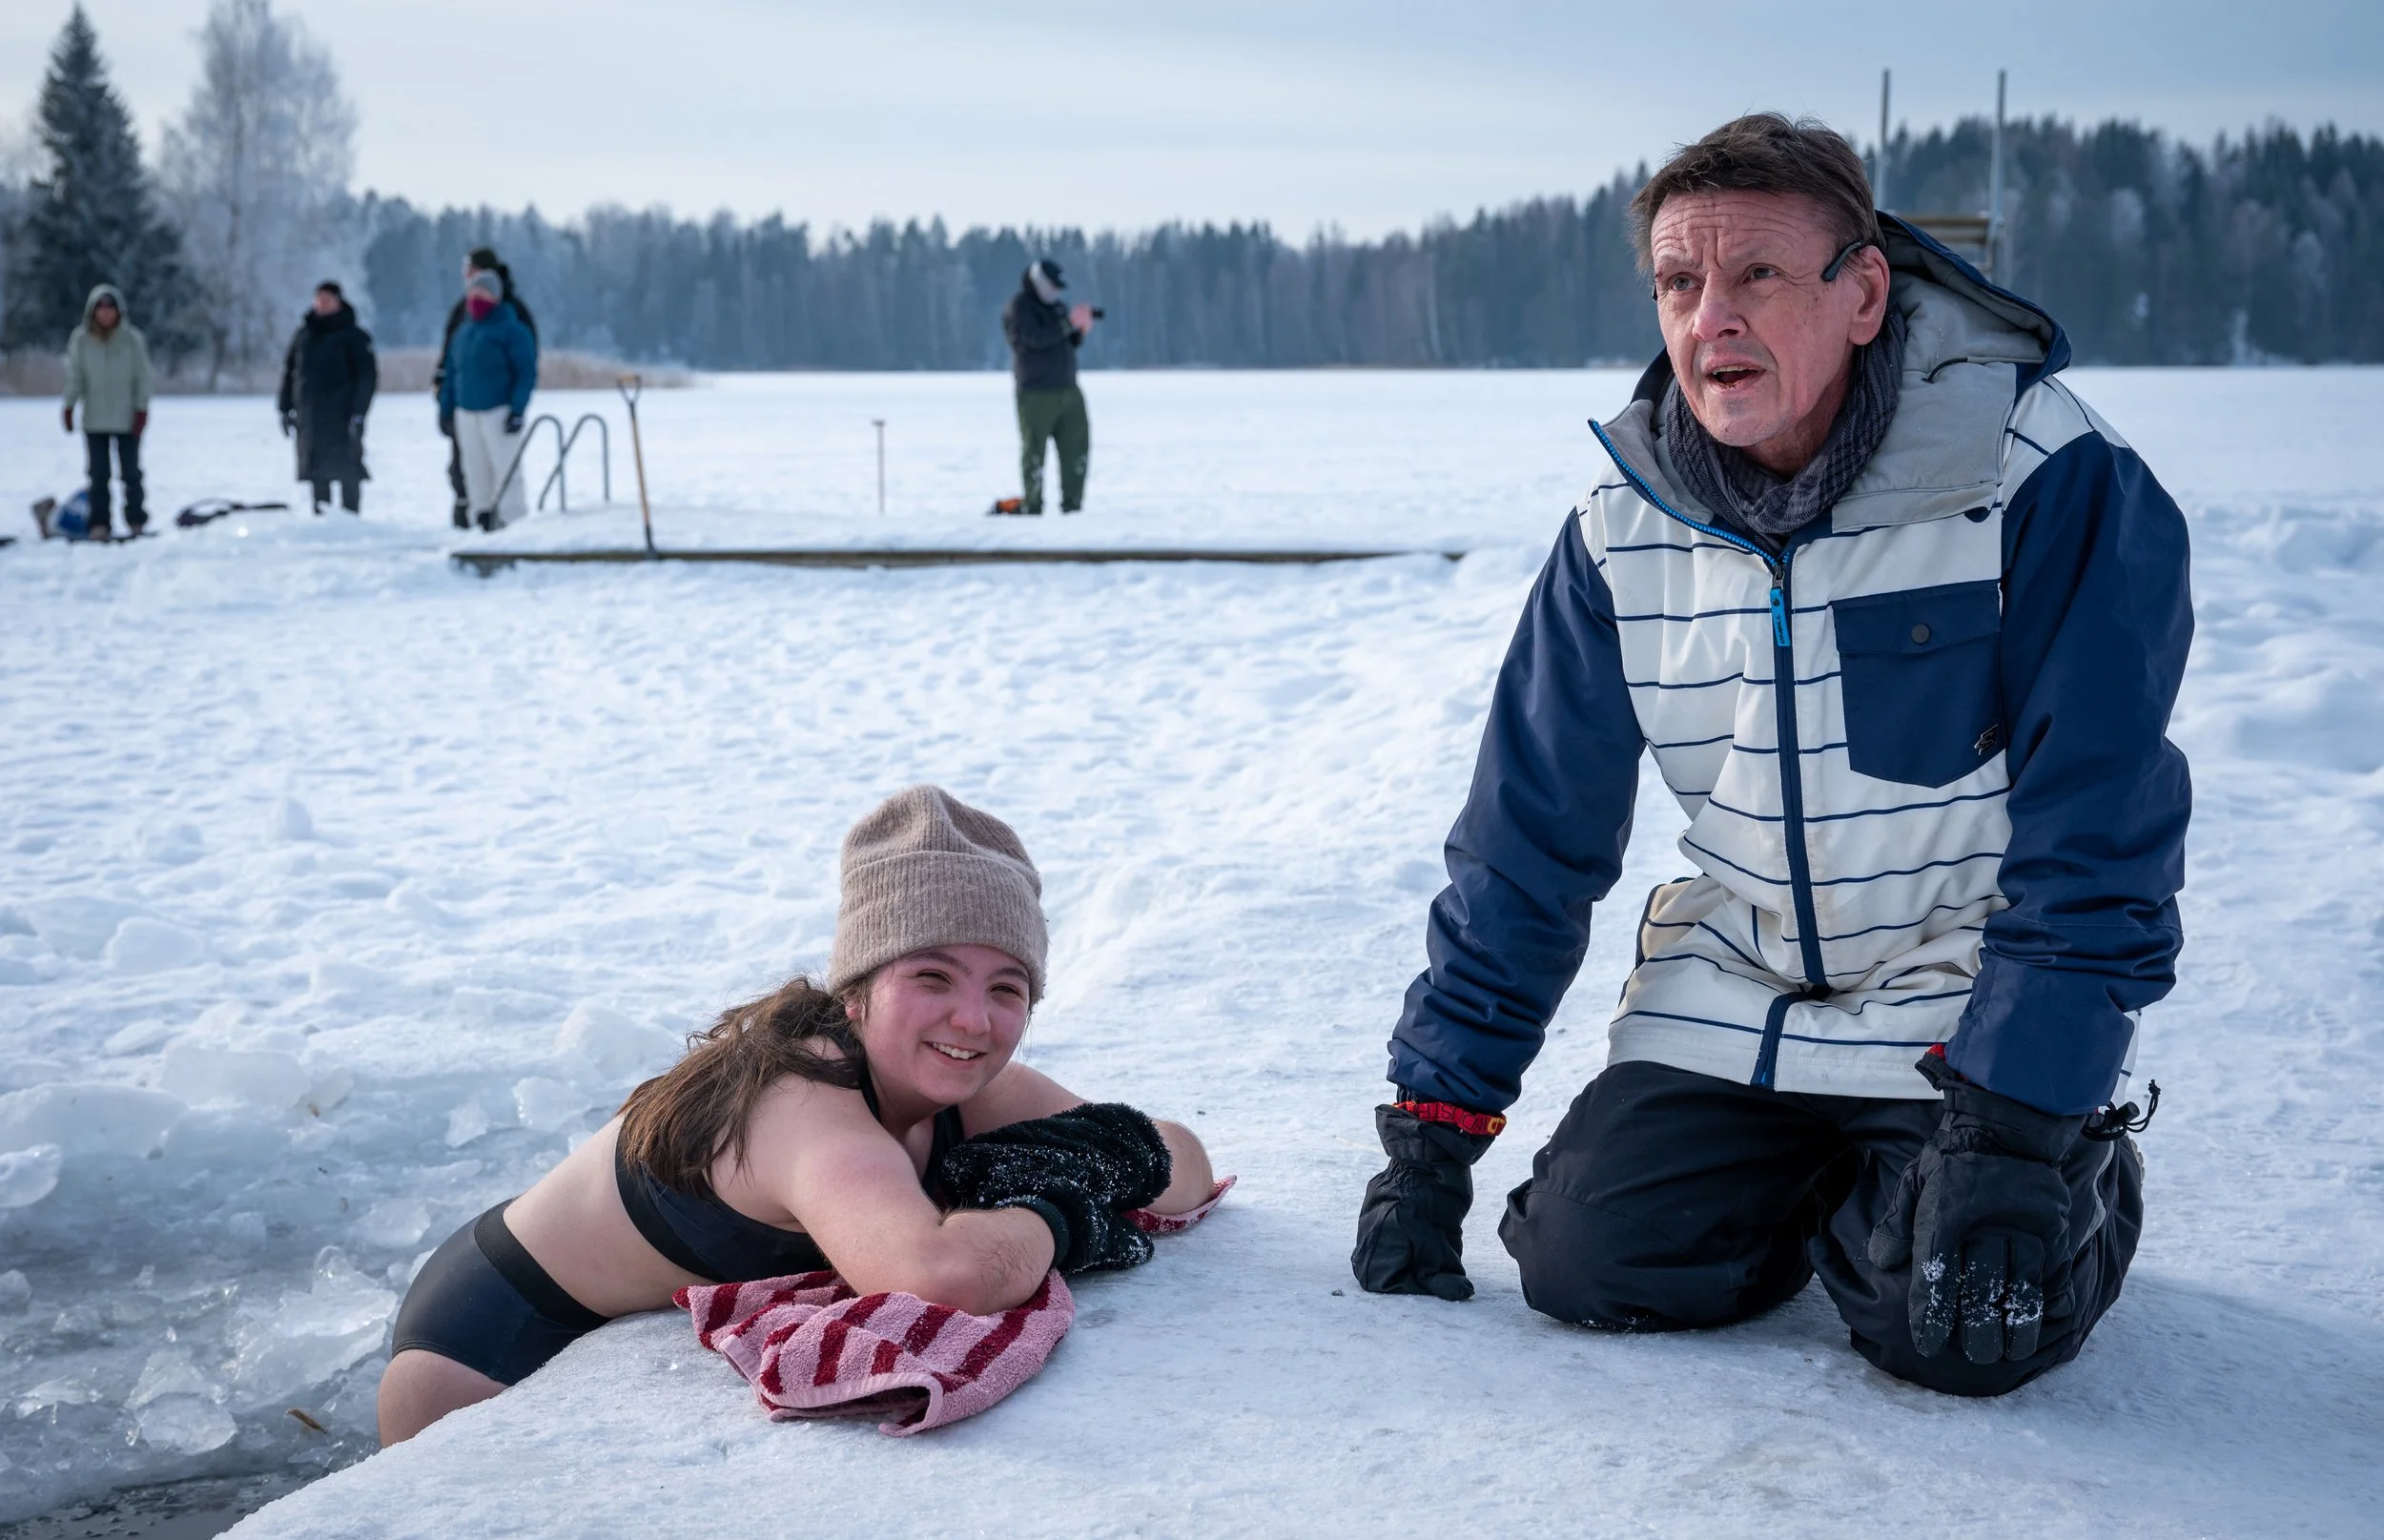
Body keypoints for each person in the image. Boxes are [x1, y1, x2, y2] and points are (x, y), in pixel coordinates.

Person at [1352, 114, 2190, 1398]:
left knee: (1949, 1330)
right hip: (1740, 985)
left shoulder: (2040, 474)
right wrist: (1433, 1126)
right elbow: (1528, 838)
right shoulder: (1623, 525)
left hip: (1957, 993)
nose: (1711, 319)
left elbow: (2102, 821)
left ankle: (2079, 1168)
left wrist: (2024, 1123)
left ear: (1864, 294)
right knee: (1586, 1265)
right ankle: (1859, 1187)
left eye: (1757, 274)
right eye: (1679, 282)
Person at [379, 786, 1217, 1444]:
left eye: (1008, 988)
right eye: (931, 976)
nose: (973, 1018)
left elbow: (1180, 1160)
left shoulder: (971, 1087)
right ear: (857, 991)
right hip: (485, 1344)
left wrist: (1092, 1155)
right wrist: (1056, 1207)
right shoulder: (805, 1099)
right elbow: (942, 1278)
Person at [433, 248, 539, 529]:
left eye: (482, 294)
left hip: (498, 409)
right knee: (473, 470)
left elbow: (526, 372)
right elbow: (451, 371)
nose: (476, 299)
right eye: (473, 294)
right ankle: (480, 517)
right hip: (466, 411)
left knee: (505, 469)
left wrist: (517, 409)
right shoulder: (464, 331)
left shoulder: (512, 328)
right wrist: (445, 408)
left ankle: (512, 521)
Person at [1000, 258, 1095, 514]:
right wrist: (1067, 324)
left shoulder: (1058, 308)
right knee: (1034, 451)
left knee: (1077, 448)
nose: (1056, 293)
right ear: (1039, 282)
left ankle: (1073, 505)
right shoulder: (1020, 307)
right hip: (1035, 392)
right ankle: (1032, 505)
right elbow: (1034, 338)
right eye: (1052, 287)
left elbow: (1065, 342)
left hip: (1068, 388)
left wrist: (1079, 330)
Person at [59, 284, 154, 539]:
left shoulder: (133, 340)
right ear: (93, 311)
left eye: (110, 308)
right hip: (95, 419)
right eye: (100, 308)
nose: (105, 313)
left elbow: (143, 377)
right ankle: (99, 524)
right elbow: (75, 376)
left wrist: (142, 409)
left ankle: (136, 520)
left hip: (127, 418)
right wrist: (69, 405)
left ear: (118, 311)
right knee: (98, 475)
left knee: (131, 474)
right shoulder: (81, 340)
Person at [277, 281, 379, 515]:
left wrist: (359, 412)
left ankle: (351, 517)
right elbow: (290, 374)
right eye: (318, 299)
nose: (322, 304)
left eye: (327, 299)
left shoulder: (355, 336)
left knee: (348, 469)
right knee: (317, 471)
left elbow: (367, 378)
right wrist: (284, 408)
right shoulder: (304, 336)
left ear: (338, 302)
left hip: (343, 415)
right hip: (310, 416)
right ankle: (321, 518)